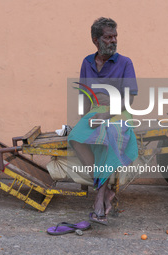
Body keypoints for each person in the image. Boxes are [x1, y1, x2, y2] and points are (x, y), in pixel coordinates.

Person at [68, 17, 139, 225]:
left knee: (110, 134)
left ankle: (99, 199)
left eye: (115, 36)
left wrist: (106, 115)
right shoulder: (87, 62)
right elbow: (84, 96)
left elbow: (130, 98)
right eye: (108, 37)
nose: (113, 41)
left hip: (118, 113)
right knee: (76, 137)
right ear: (95, 40)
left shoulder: (125, 62)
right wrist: (84, 121)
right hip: (96, 113)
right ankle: (106, 190)